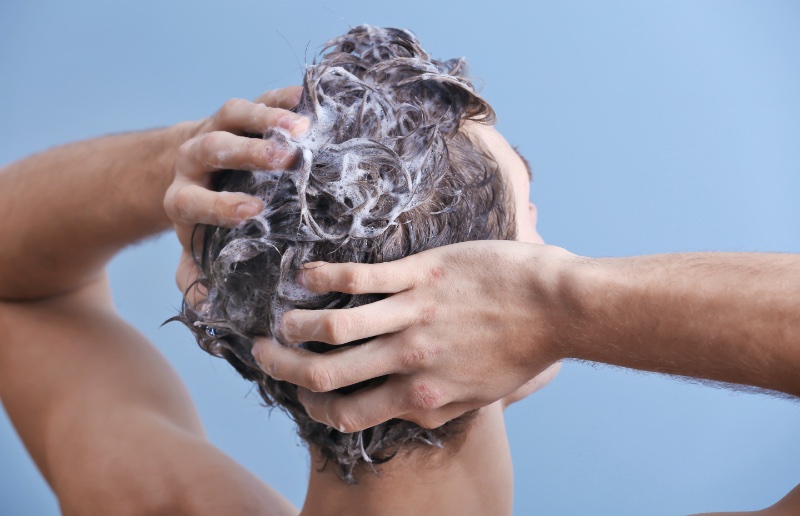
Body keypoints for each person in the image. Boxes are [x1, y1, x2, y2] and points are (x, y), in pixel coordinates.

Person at [0, 25, 556, 515]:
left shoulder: (156, 502)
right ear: (460, 315)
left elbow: (17, 289)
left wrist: (182, 161)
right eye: (526, 204)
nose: (535, 219)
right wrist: (568, 307)